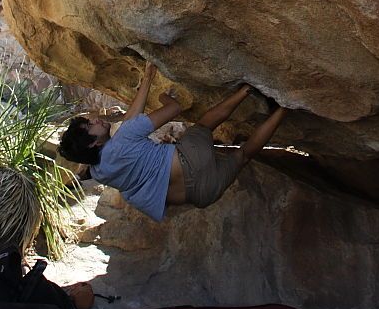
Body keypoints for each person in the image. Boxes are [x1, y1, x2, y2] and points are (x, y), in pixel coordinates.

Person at [58, 63, 286, 222]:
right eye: (90, 126)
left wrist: (147, 78)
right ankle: (247, 90)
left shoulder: (100, 172)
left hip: (202, 194)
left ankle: (285, 108)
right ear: (92, 144)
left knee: (244, 155)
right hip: (190, 160)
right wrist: (163, 97)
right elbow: (174, 109)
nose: (95, 120)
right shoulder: (124, 136)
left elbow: (129, 121)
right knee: (204, 125)